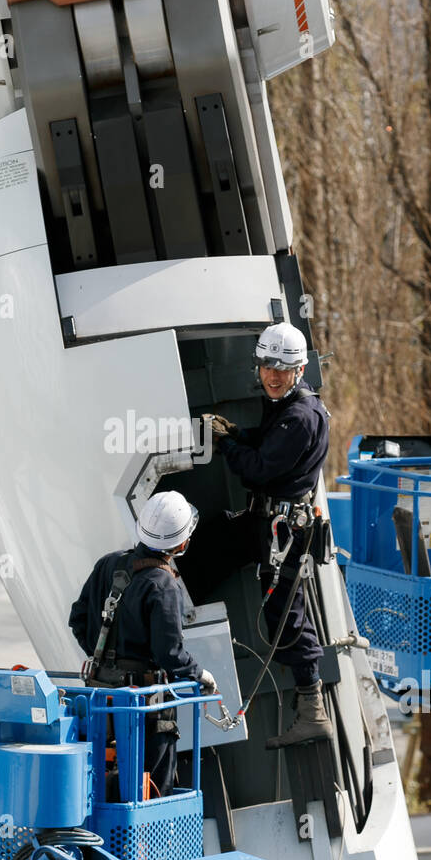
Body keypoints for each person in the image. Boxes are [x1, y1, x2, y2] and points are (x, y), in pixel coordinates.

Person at [182, 322, 332, 745]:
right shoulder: (286, 406)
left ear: (300, 370)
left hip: (282, 532)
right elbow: (266, 445)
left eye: (283, 369)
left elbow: (257, 467)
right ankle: (175, 611)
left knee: (287, 615)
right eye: (267, 365)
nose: (272, 375)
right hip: (266, 523)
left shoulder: (300, 416)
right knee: (208, 546)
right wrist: (236, 432)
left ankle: (313, 711)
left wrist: (228, 445)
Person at [69, 492, 216, 796]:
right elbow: (169, 654)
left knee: (99, 783)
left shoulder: (107, 565)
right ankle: (142, 845)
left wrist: (105, 662)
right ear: (182, 543)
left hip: (100, 697)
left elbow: (79, 620)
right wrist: (200, 675)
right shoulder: (164, 586)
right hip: (144, 711)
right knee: (149, 790)